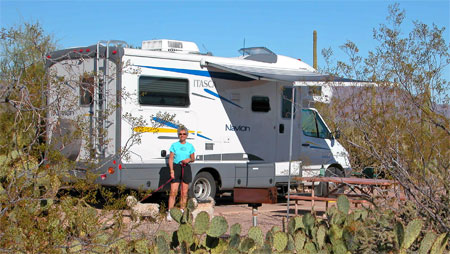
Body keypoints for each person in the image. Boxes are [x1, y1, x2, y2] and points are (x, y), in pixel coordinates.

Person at [167, 126, 195, 221]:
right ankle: (170, 212)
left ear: (187, 135)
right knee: (173, 191)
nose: (182, 135)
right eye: (180, 134)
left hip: (186, 167)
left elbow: (193, 158)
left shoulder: (190, 146)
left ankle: (182, 210)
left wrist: (189, 159)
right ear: (178, 135)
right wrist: (171, 170)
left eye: (184, 134)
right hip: (177, 167)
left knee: (184, 192)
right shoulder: (174, 145)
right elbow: (171, 159)